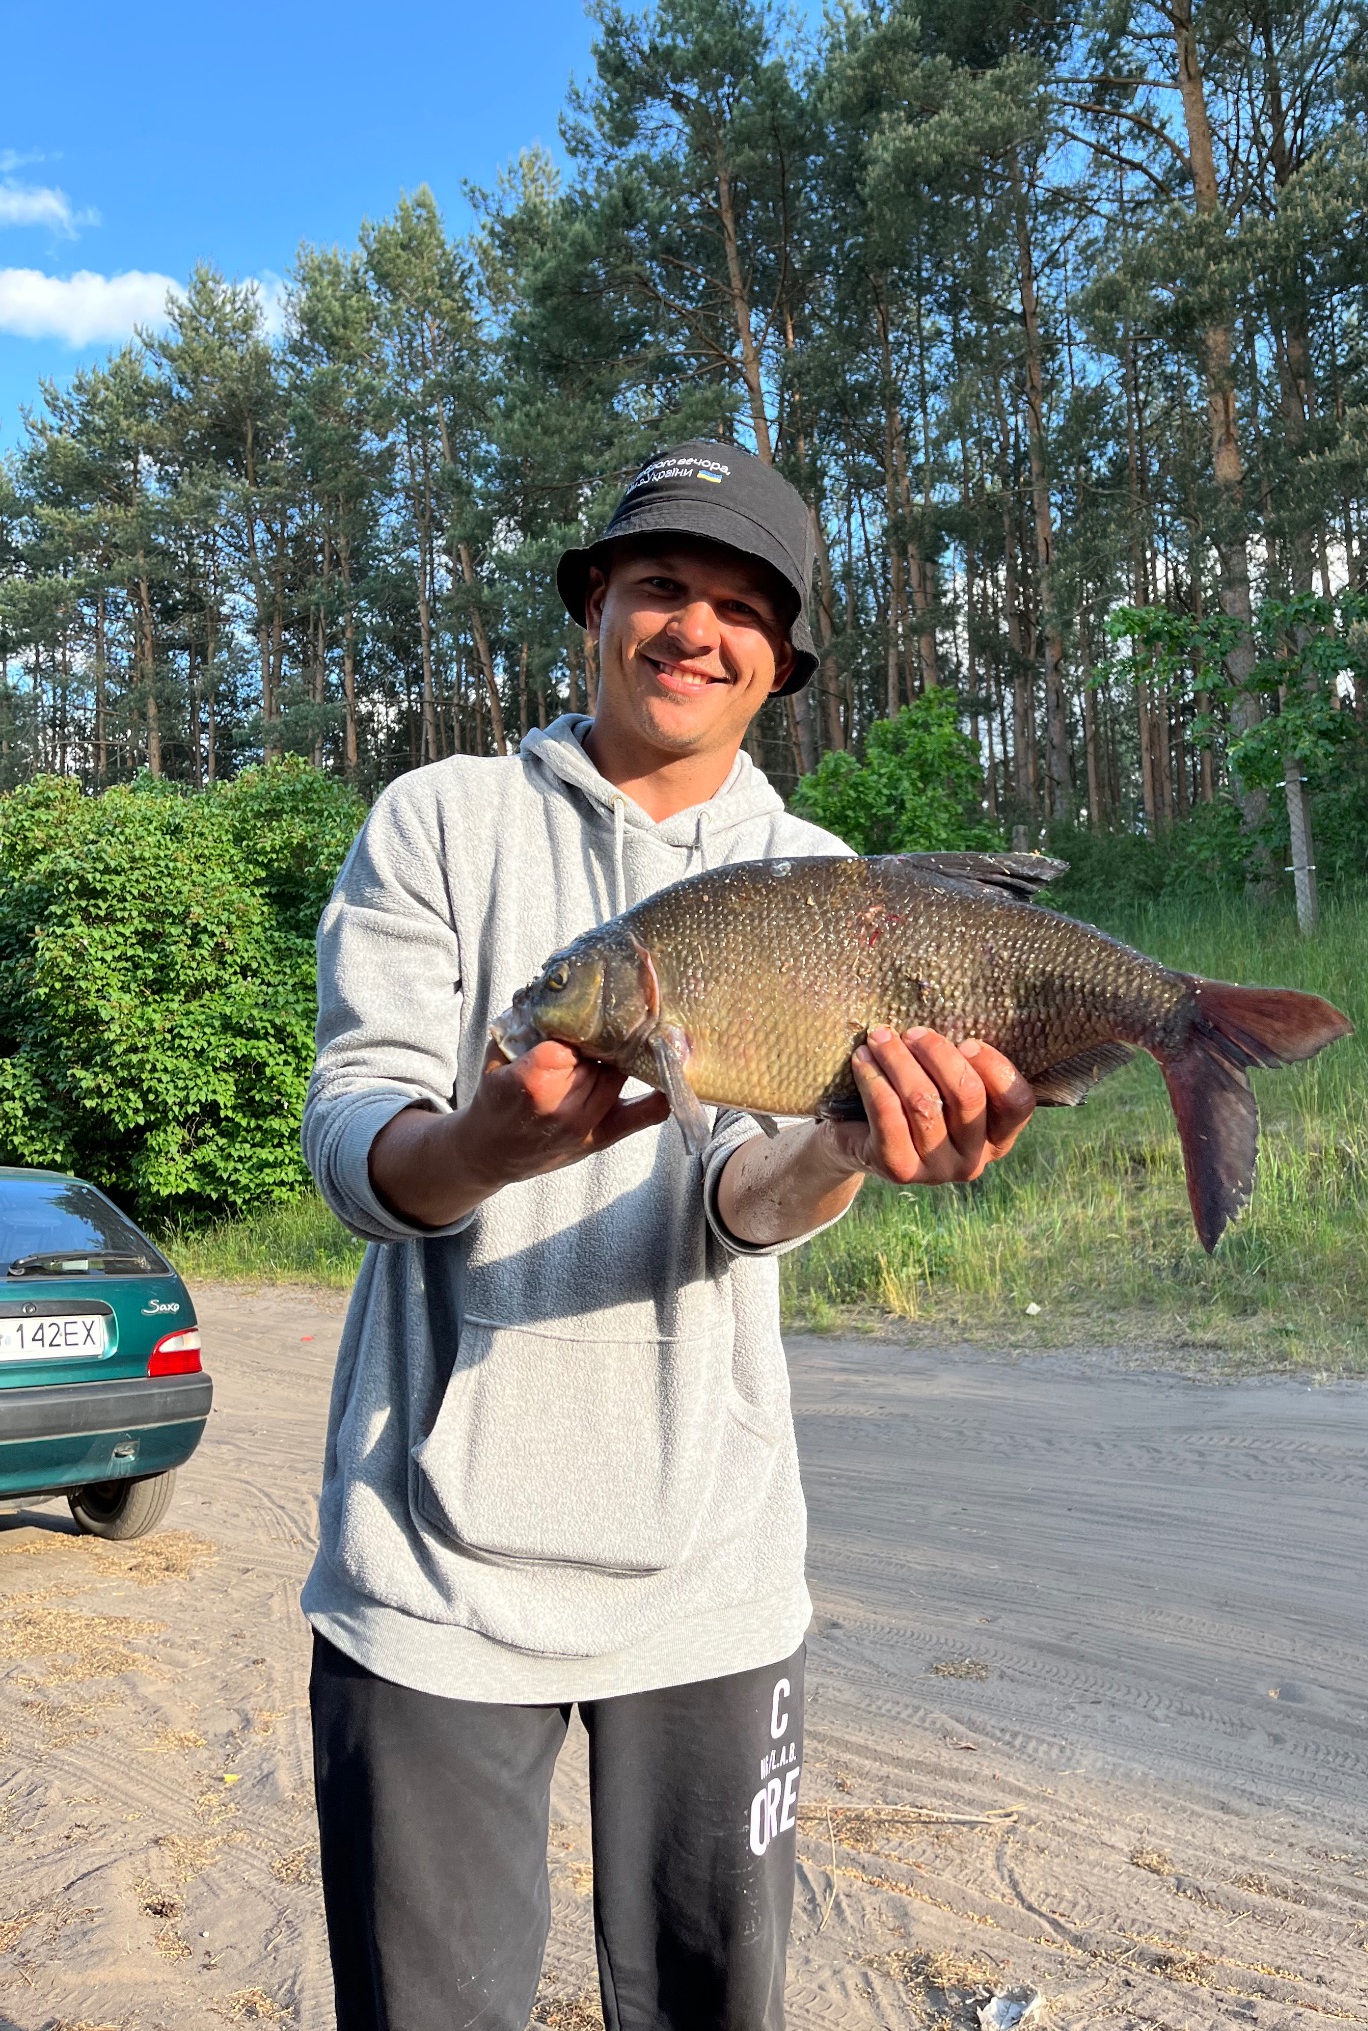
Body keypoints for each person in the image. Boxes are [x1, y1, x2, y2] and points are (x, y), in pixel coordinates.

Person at [300, 438, 1035, 2031]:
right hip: (425, 1576)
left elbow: (740, 1204)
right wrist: (482, 1145)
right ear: (593, 609)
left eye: (739, 607)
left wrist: (842, 1147)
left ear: (778, 664)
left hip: (709, 1570)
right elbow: (354, 1138)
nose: (694, 627)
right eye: (659, 586)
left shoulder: (833, 887)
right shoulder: (441, 821)